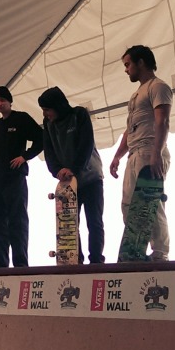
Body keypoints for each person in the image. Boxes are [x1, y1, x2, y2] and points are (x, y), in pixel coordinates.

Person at [109, 45, 173, 262]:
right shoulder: (137, 93)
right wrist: (117, 155)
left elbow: (162, 121)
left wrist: (157, 153)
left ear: (141, 63)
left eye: (128, 64)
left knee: (150, 203)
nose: (126, 70)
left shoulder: (158, 86)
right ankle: (137, 251)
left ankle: (160, 253)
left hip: (149, 149)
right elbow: (130, 128)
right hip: (134, 152)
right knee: (128, 204)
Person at [38, 86, 105, 264]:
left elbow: (86, 143)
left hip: (90, 177)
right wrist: (57, 170)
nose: (45, 114)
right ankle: (76, 261)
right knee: (69, 224)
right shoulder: (48, 124)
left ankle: (97, 261)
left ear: (57, 106)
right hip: (68, 183)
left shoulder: (79, 115)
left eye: (47, 110)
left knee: (94, 222)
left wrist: (74, 168)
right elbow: (49, 151)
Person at [0, 86, 44, 268]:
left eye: (2, 100)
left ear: (10, 101)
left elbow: (41, 138)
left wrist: (25, 157)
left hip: (15, 178)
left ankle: (20, 264)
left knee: (17, 221)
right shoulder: (0, 124)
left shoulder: (21, 118)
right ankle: (1, 264)